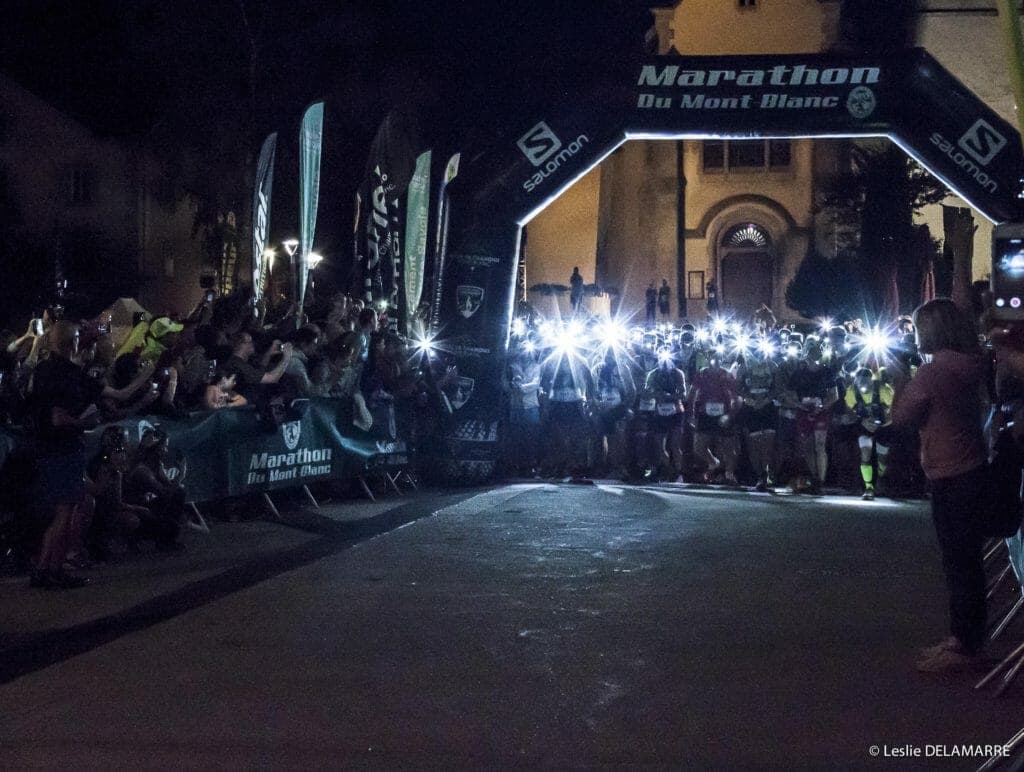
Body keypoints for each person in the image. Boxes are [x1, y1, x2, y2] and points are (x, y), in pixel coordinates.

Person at [887, 298, 988, 672]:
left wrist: (899, 379)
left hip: (949, 471)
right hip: (972, 465)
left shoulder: (931, 374)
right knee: (968, 560)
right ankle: (965, 638)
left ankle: (962, 645)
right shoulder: (973, 365)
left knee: (957, 561)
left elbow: (901, 417)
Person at [28, 321, 154, 588]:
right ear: (72, 343)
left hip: (47, 449)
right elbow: (61, 417)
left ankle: (45, 569)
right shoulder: (70, 375)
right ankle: (52, 570)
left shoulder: (42, 371)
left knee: (62, 512)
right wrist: (145, 377)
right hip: (62, 448)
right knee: (65, 513)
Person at [843, 367, 893, 499]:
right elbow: (849, 410)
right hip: (864, 426)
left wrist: (881, 423)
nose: (863, 385)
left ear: (872, 380)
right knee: (865, 453)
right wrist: (861, 420)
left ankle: (881, 477)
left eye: (866, 381)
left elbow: (893, 410)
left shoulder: (883, 389)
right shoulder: (851, 391)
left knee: (883, 457)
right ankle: (868, 487)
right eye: (860, 382)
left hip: (884, 426)